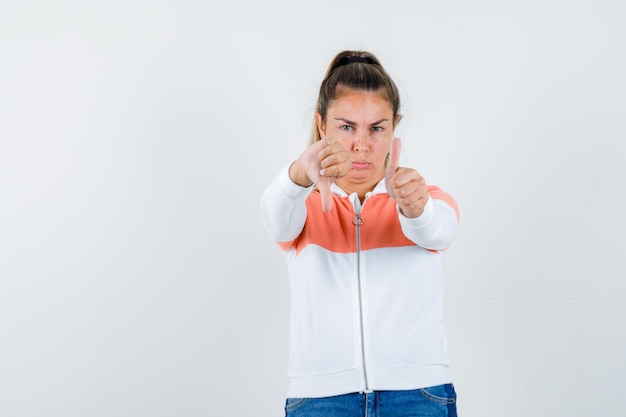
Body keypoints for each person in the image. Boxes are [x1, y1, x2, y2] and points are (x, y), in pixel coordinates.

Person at [260, 50, 460, 417]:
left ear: (394, 126)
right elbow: (274, 216)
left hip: (418, 396)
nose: (361, 146)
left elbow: (439, 229)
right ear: (322, 125)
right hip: (320, 400)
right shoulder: (300, 207)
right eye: (346, 126)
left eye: (377, 128)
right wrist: (301, 172)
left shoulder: (425, 200)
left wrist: (413, 209)